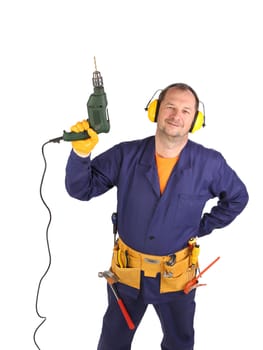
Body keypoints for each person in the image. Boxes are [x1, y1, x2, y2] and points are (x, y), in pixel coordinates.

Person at [65, 83, 249, 350]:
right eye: (170, 107)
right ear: (155, 111)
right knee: (113, 342)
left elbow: (238, 198)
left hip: (176, 279)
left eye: (186, 110)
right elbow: (80, 189)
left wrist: (200, 227)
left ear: (196, 120)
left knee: (179, 343)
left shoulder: (210, 164)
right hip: (127, 275)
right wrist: (81, 153)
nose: (177, 115)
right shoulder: (126, 154)